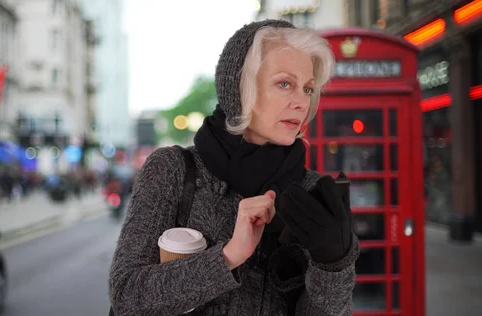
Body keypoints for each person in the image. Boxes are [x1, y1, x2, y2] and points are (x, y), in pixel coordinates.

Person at [109, 19, 359, 316]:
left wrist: (333, 265)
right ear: (240, 88)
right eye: (284, 84)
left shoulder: (313, 191)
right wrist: (228, 256)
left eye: (307, 89)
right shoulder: (174, 171)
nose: (301, 102)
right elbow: (126, 294)